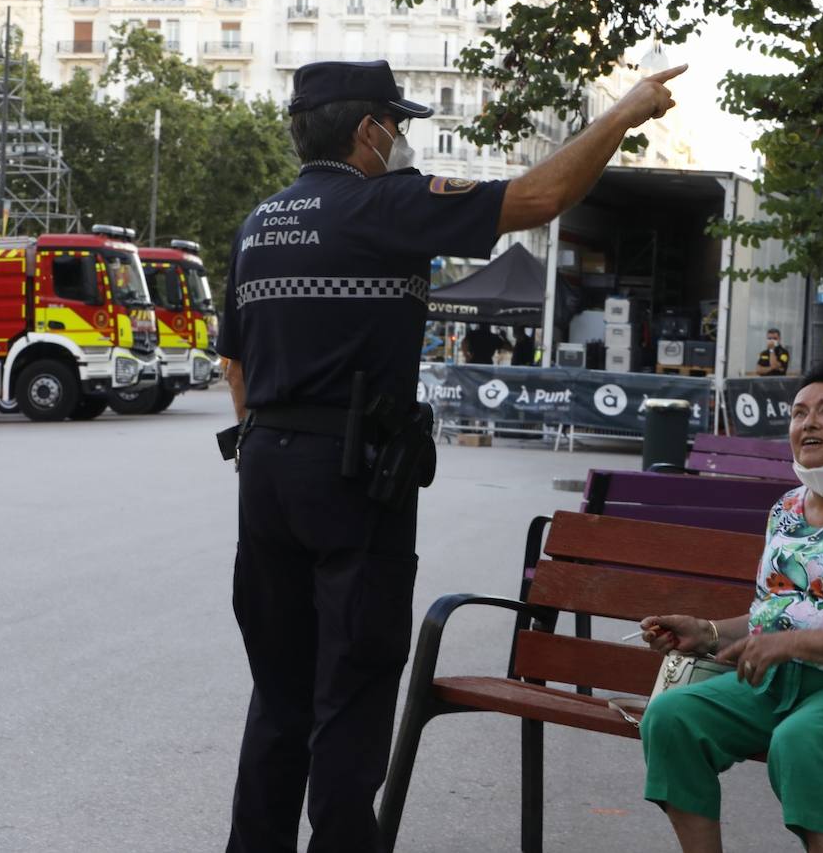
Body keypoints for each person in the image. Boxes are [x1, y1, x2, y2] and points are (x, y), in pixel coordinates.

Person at [217, 57, 687, 852]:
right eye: (394, 126)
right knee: (354, 691)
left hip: (265, 471)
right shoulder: (385, 204)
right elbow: (541, 198)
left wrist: (277, 451)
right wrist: (624, 115)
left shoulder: (257, 225)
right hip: (351, 477)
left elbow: (234, 363)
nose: (399, 141)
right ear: (367, 130)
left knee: (280, 693)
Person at [637, 358, 823, 853]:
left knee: (802, 739)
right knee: (671, 718)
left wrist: (789, 644)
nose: (809, 423)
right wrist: (708, 631)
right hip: (782, 684)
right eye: (799, 413)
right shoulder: (786, 510)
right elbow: (773, 616)